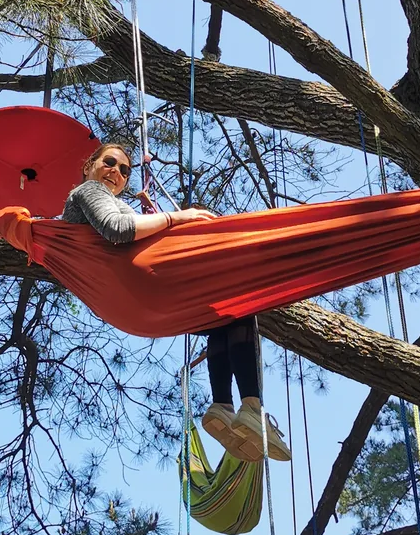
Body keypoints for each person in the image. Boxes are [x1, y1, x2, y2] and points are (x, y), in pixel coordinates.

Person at [63, 143, 292, 464]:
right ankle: (251, 407)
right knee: (237, 302)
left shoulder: (108, 202)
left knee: (228, 316)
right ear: (89, 166)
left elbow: (124, 229)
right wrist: (176, 217)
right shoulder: (90, 190)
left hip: (128, 303)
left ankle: (224, 406)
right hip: (141, 284)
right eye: (109, 162)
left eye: (125, 170)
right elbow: (119, 230)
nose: (116, 171)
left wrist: (149, 217)